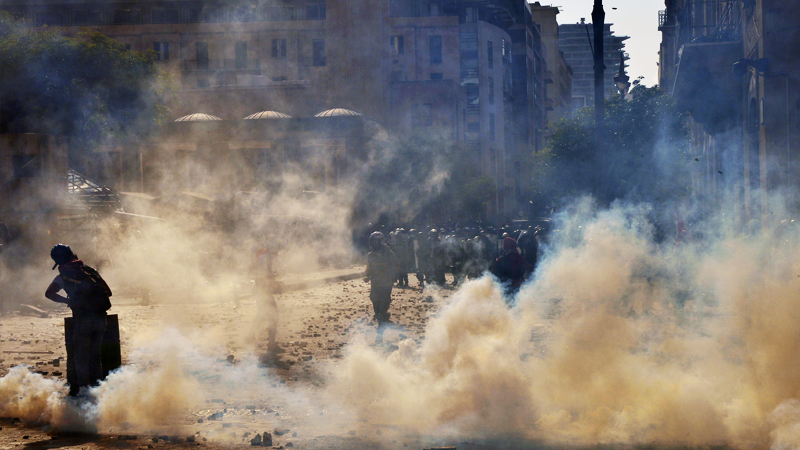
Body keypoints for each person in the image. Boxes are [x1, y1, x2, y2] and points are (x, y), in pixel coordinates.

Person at [45, 244, 112, 396]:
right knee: (95, 357)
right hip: (100, 319)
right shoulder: (89, 270)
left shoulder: (63, 275)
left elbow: (49, 293)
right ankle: (98, 393)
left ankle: (83, 394)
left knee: (81, 358)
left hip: (82, 320)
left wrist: (68, 301)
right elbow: (108, 292)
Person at [253, 245, 282, 354]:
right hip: (262, 291)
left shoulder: (264, 256)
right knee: (274, 316)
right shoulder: (268, 259)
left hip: (259, 290)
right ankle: (271, 346)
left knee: (262, 314)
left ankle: (249, 336)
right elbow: (266, 277)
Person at [365, 231, 399, 323]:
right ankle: (378, 313)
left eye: (375, 241)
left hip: (386, 280)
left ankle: (383, 313)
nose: (373, 244)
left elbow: (395, 264)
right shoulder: (370, 255)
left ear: (380, 242)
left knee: (385, 298)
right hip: (375, 281)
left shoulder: (388, 253)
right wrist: (367, 276)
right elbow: (368, 267)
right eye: (372, 241)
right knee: (374, 297)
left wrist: (394, 275)